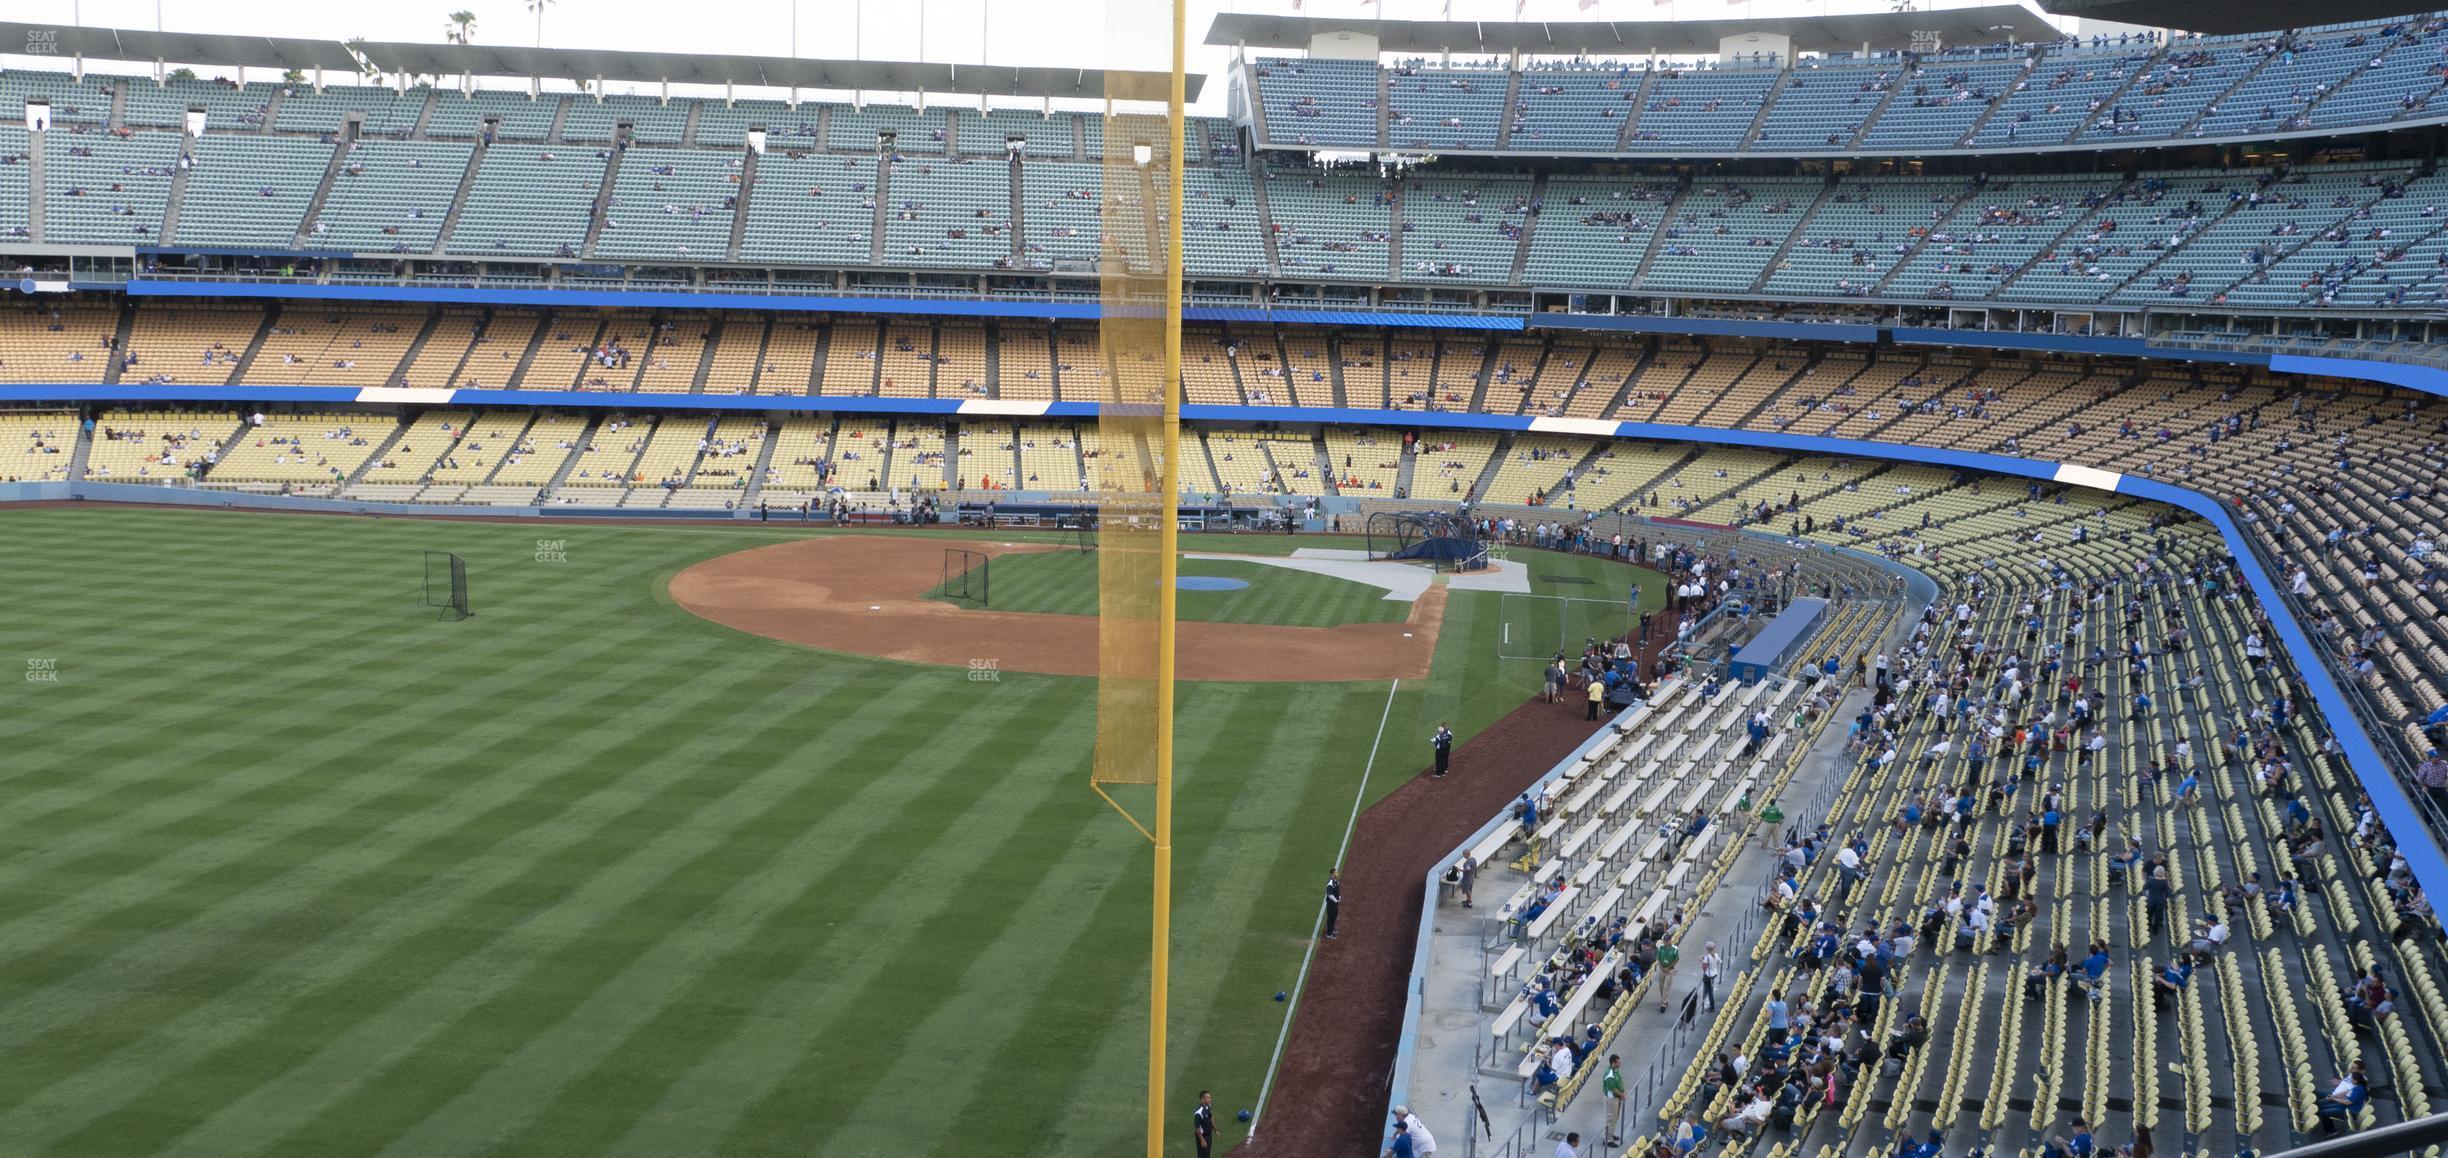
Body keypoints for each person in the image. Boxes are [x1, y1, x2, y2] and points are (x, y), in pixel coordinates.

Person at [1602, 1055, 1626, 1145]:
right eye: (1618, 1062)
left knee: (1615, 1117)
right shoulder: (1609, 1075)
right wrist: (1621, 1094)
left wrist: (1622, 1092)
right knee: (1611, 1118)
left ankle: (1610, 1134)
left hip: (1618, 1097)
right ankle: (1608, 1140)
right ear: (1613, 1063)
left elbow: (1620, 1081)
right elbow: (1613, 1089)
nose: (1620, 1063)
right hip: (1612, 1099)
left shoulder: (1616, 1070)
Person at [1699, 942, 1723, 1012]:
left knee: (1709, 992)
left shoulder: (1707, 957)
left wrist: (1703, 962)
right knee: (1709, 989)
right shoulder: (1715, 954)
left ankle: (1711, 1007)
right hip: (1714, 973)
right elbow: (1719, 961)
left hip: (1708, 976)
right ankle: (1705, 995)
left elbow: (1704, 966)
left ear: (1707, 949)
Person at [1194, 1090, 1215, 1158]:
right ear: (1202, 1099)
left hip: (1208, 1135)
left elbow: (1210, 1117)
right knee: (1202, 1156)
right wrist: (1202, 1140)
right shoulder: (1198, 1112)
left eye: (1210, 1097)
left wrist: (1215, 1129)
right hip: (1202, 1136)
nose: (1210, 1099)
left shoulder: (1208, 1106)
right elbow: (1197, 1128)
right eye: (1208, 1097)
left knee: (1207, 1154)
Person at [1324, 872, 1342, 939]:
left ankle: (1332, 929)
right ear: (1332, 874)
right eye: (1335, 873)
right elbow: (1330, 895)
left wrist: (1339, 897)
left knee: (1334, 916)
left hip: (1335, 903)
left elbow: (1338, 890)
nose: (1337, 873)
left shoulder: (1336, 881)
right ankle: (1329, 934)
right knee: (1330, 918)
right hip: (1331, 904)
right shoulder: (1330, 884)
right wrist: (1336, 901)